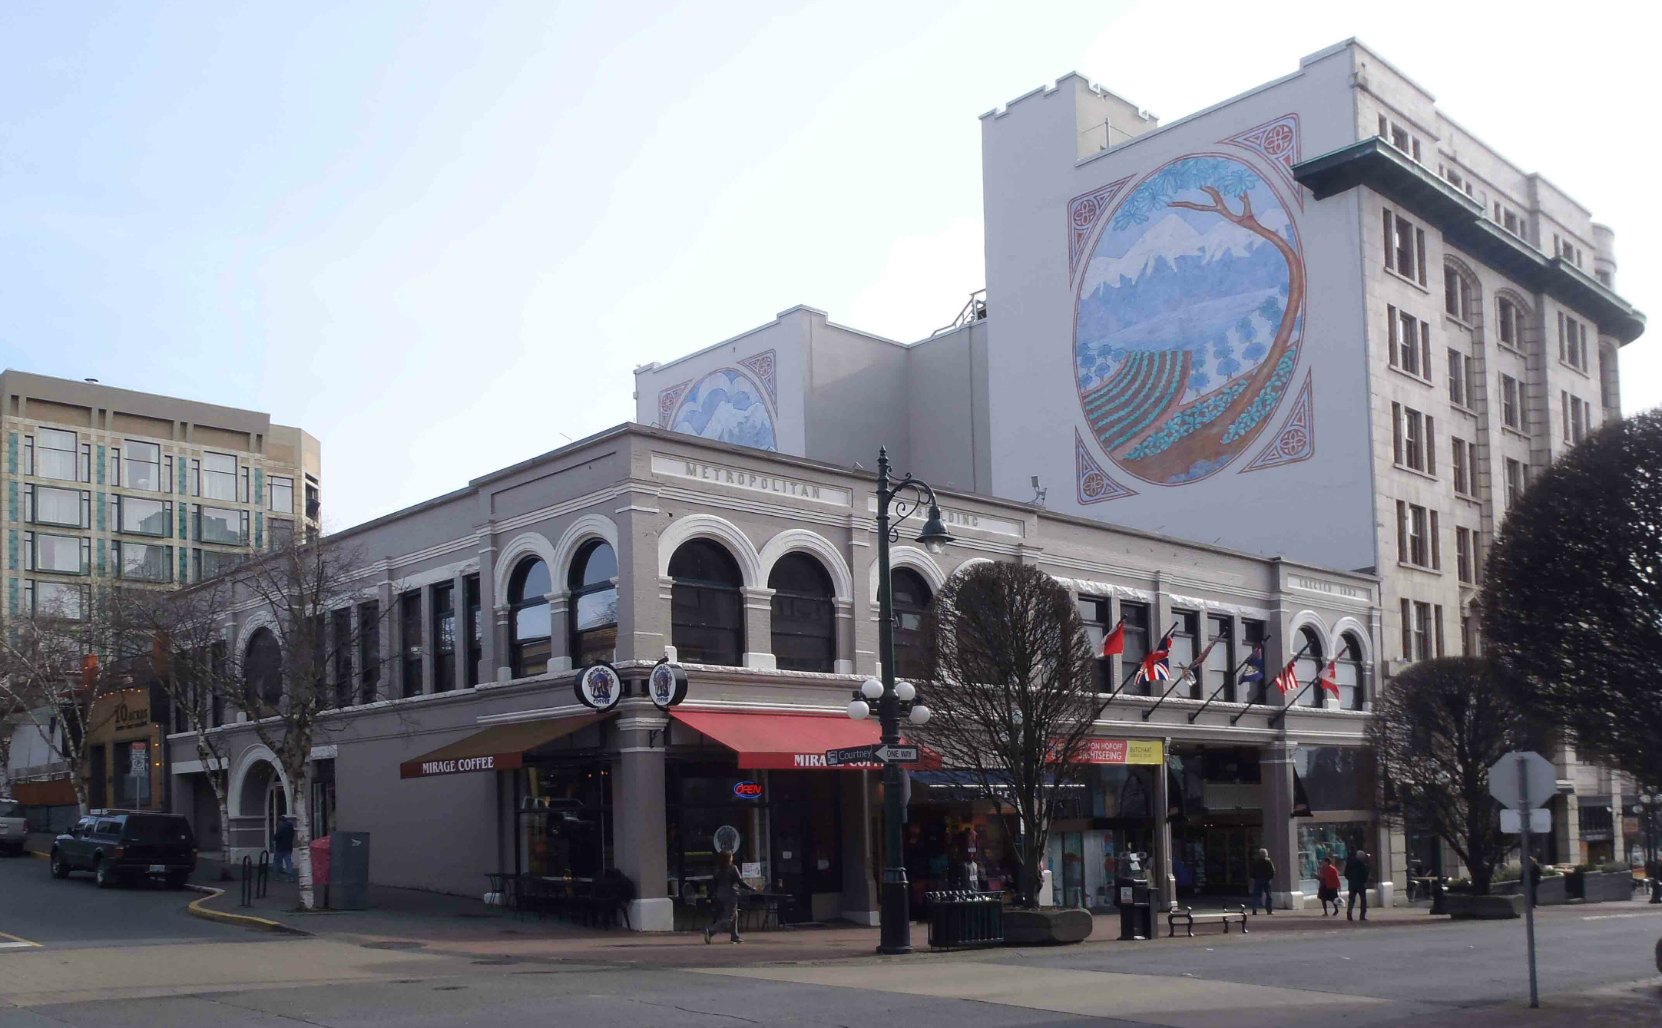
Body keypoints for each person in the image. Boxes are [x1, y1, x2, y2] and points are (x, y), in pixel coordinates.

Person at [703, 851, 754, 944]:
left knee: (735, 914)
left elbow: (713, 884)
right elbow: (740, 881)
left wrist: (710, 896)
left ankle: (734, 936)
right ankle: (711, 931)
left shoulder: (717, 869)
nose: (732, 858)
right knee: (728, 918)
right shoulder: (733, 868)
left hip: (719, 895)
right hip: (730, 895)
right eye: (731, 856)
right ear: (729, 858)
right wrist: (751, 888)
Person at [1345, 849, 1371, 921]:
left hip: (1352, 884)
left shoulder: (1350, 864)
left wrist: (1350, 879)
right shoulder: (1363, 865)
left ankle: (1349, 912)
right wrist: (1364, 880)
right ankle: (1362, 915)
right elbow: (1366, 874)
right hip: (1361, 884)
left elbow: (1346, 873)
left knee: (1351, 899)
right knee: (1363, 900)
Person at [1249, 847, 1275, 914]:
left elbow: (1252, 871)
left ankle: (1254, 909)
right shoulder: (1268, 861)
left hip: (1258, 880)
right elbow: (1272, 871)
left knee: (1256, 895)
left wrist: (1255, 877)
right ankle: (1269, 910)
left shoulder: (1256, 862)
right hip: (1266, 880)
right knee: (1268, 895)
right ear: (1266, 854)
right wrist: (1269, 878)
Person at [271, 816, 296, 881]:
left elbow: (277, 836)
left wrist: (273, 838)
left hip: (280, 847)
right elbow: (293, 835)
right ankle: (289, 877)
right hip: (288, 847)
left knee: (277, 862)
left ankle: (276, 876)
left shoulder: (281, 827)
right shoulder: (291, 827)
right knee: (288, 862)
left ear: (280, 821)